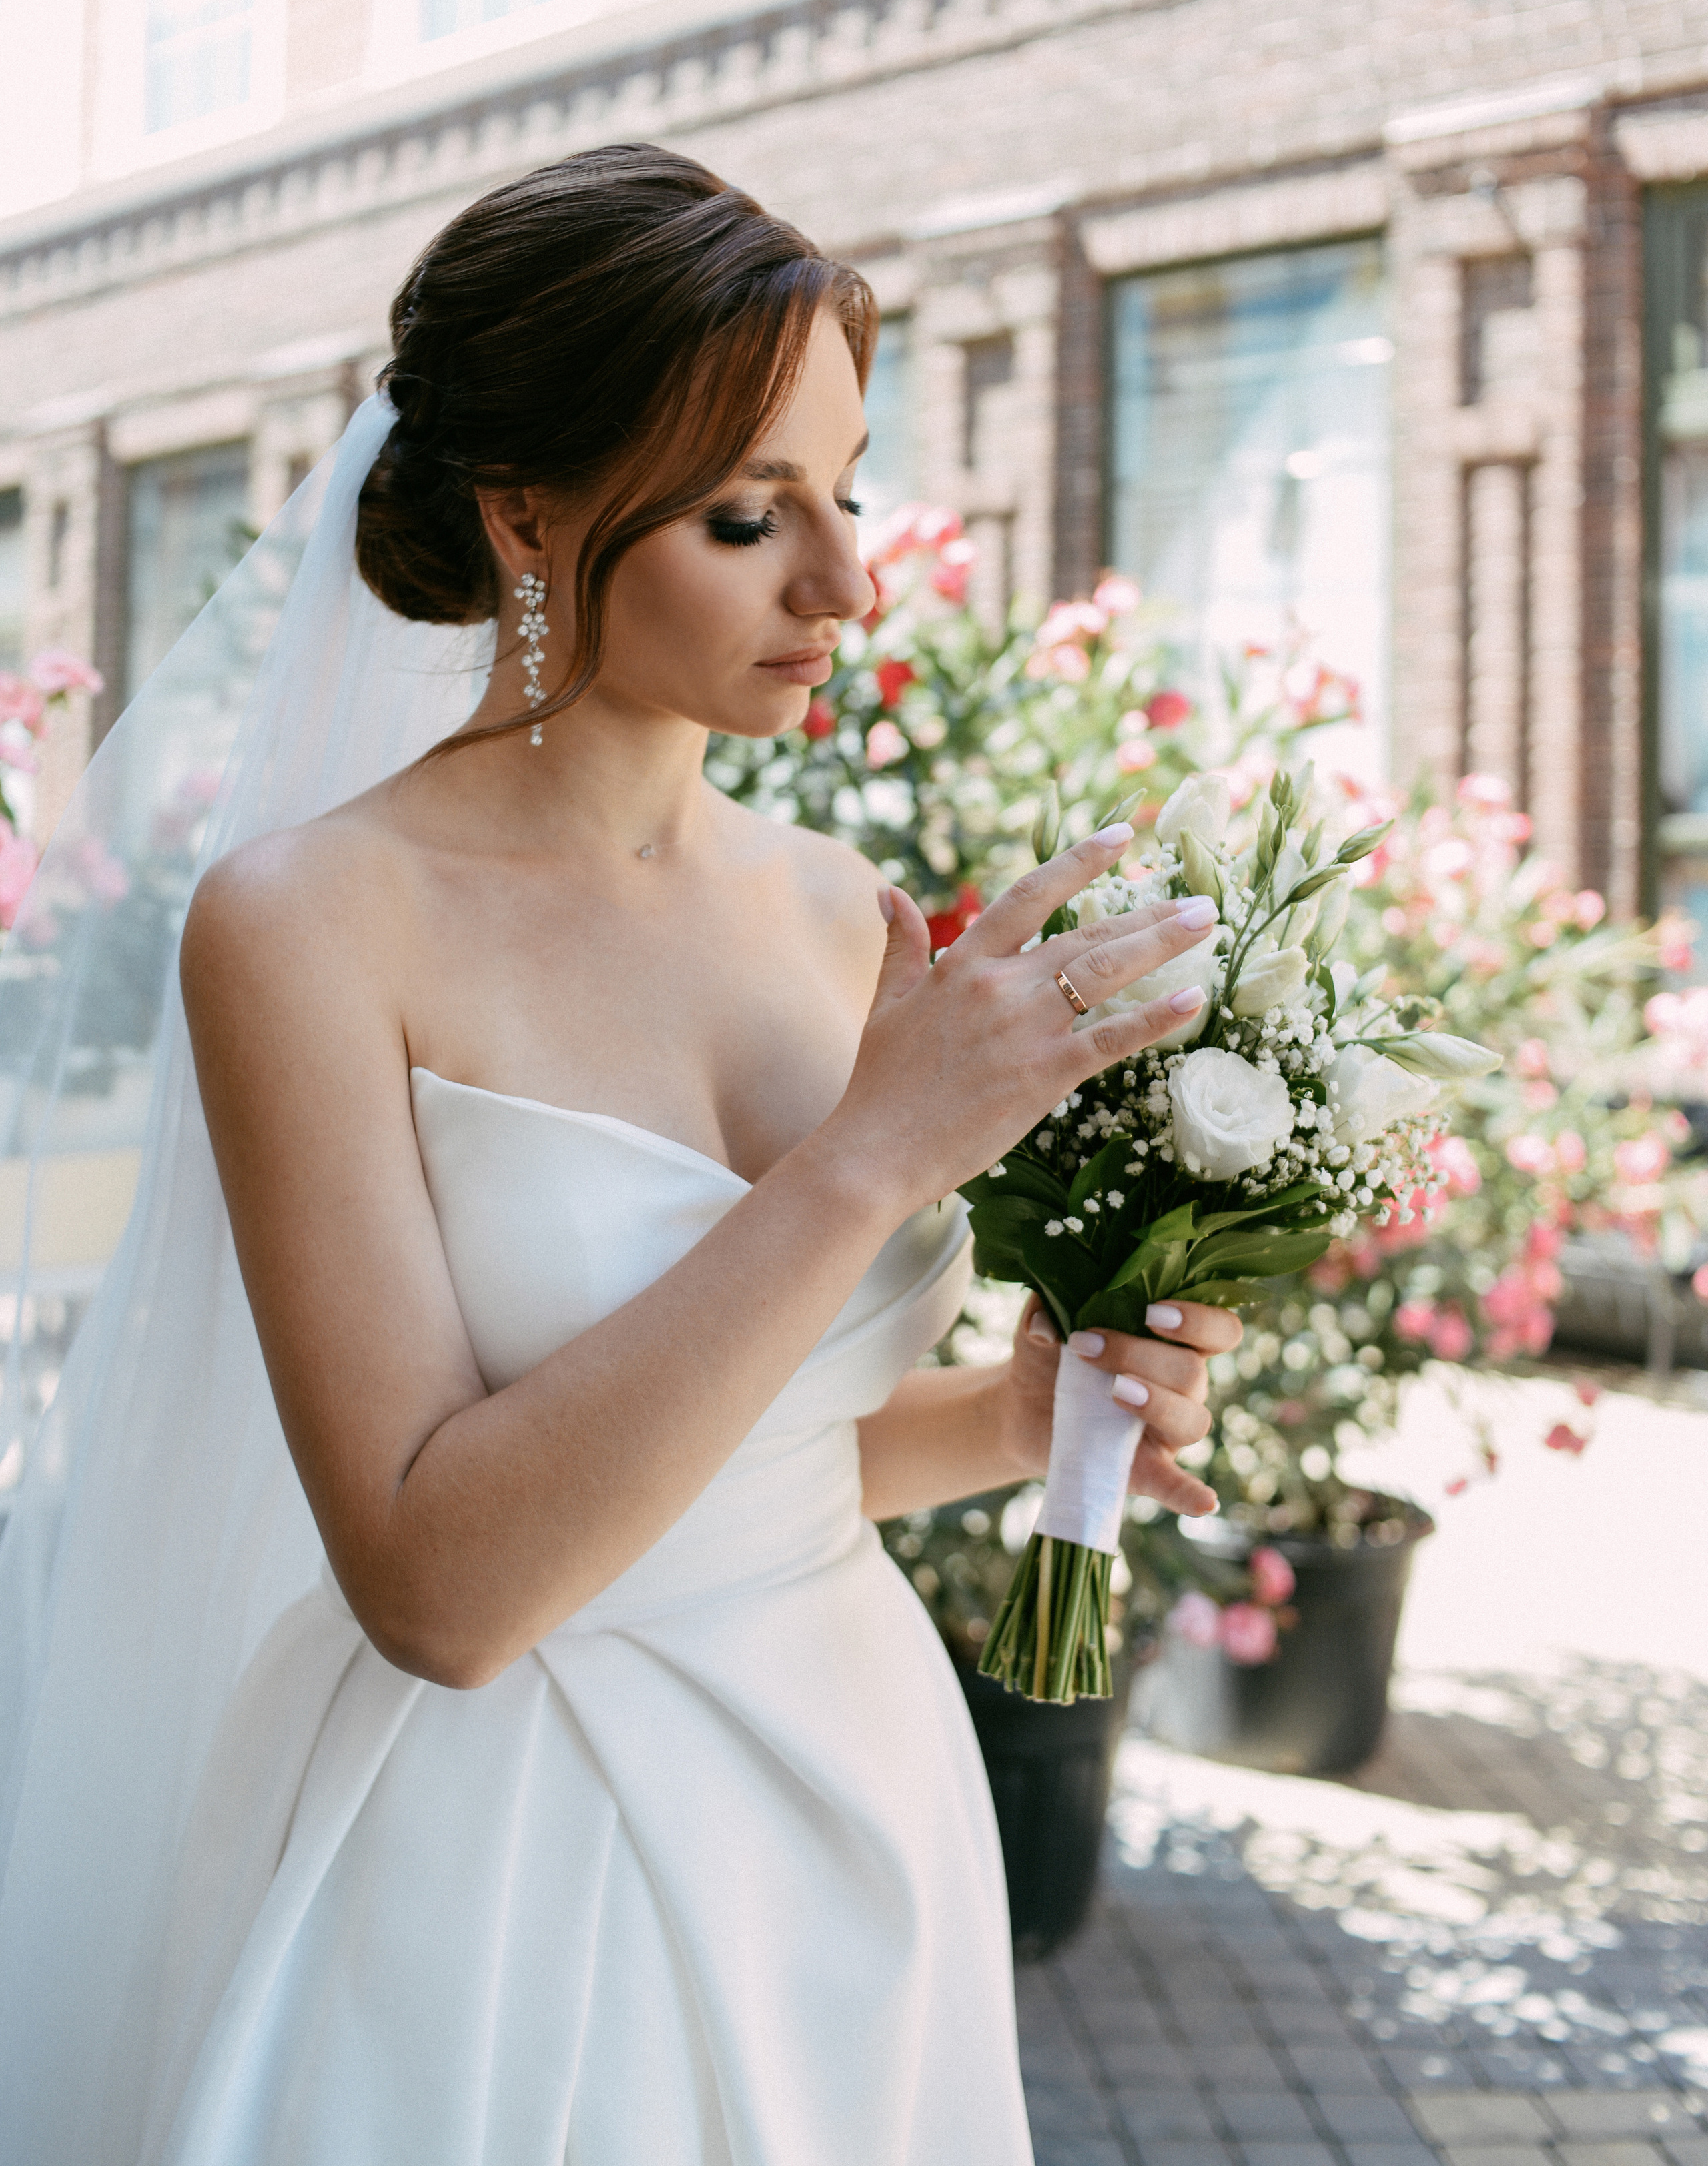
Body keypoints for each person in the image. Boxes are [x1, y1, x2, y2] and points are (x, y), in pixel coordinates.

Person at [0, 145, 1238, 2164]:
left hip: (855, 1827)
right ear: (524, 512)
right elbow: (442, 1582)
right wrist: (866, 1157)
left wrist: (1018, 1412)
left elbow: (762, 1454)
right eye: (753, 517)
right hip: (498, 1878)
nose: (842, 583)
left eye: (849, 494)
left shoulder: (843, 911)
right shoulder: (316, 919)